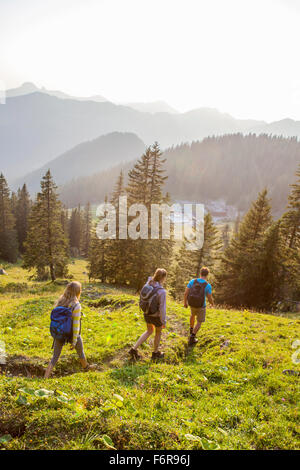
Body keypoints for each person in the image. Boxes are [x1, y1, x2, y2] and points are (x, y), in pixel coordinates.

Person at [44, 281, 95, 378]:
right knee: (80, 352)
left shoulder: (61, 300)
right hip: (71, 332)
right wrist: (74, 341)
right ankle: (86, 368)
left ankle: (45, 377)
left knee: (55, 357)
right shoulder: (76, 305)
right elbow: (76, 326)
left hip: (60, 332)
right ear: (78, 291)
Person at [129, 268, 167, 360]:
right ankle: (155, 353)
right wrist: (163, 321)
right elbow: (162, 308)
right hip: (156, 316)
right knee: (158, 332)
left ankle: (133, 349)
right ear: (163, 278)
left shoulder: (147, 284)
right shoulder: (161, 291)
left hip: (146, 313)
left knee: (149, 331)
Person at [184, 266, 214, 346]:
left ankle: (191, 329)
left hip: (192, 303)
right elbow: (209, 297)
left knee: (192, 315)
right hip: (201, 306)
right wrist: (212, 304)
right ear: (207, 275)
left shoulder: (192, 281)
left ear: (200, 273)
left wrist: (185, 302)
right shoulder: (207, 285)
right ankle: (192, 337)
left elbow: (186, 293)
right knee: (199, 322)